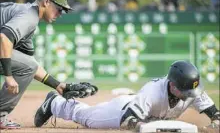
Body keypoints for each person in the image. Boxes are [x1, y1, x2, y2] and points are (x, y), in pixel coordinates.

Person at [0, 0, 97, 129]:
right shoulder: (29, 17)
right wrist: (9, 76)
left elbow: (29, 65)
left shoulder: (26, 15)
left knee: (28, 64)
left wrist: (58, 85)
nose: (60, 14)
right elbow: (4, 38)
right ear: (46, 2)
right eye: (59, 9)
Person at [34, 60, 220, 130]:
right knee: (85, 118)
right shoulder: (153, 91)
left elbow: (215, 114)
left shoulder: (190, 89)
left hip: (142, 107)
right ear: (172, 85)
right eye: (186, 91)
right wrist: (152, 127)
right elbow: (128, 121)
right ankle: (55, 103)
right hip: (122, 111)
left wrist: (214, 123)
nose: (190, 96)